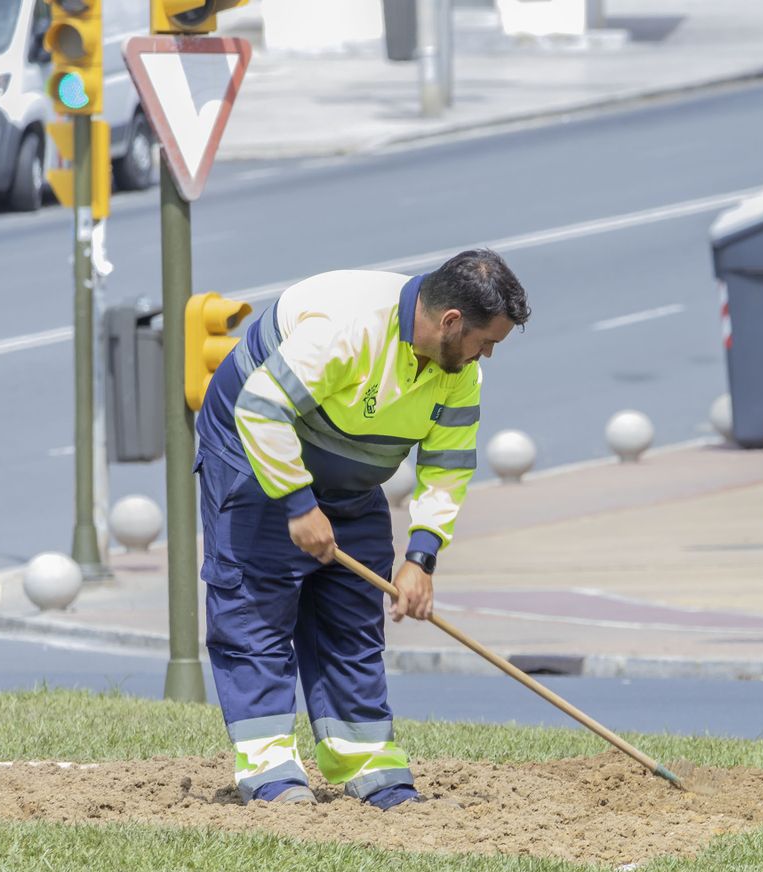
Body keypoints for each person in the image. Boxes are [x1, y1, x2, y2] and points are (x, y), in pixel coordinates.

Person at [193, 250, 530, 808]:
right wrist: (298, 505)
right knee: (256, 606)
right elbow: (261, 408)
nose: (487, 353)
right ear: (450, 322)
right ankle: (270, 768)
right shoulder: (347, 330)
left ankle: (367, 760)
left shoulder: (460, 371)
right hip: (253, 452)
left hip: (350, 475)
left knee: (353, 604)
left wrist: (421, 559)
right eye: (485, 340)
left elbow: (447, 466)